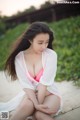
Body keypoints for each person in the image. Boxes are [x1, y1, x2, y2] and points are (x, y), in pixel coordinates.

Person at [0, 22, 62, 120]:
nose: (44, 46)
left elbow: (44, 84)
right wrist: (35, 104)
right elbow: (26, 85)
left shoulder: (51, 55)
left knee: (39, 115)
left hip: (50, 94)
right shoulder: (19, 58)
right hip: (31, 95)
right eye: (40, 43)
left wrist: (37, 106)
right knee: (21, 110)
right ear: (30, 40)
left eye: (47, 42)